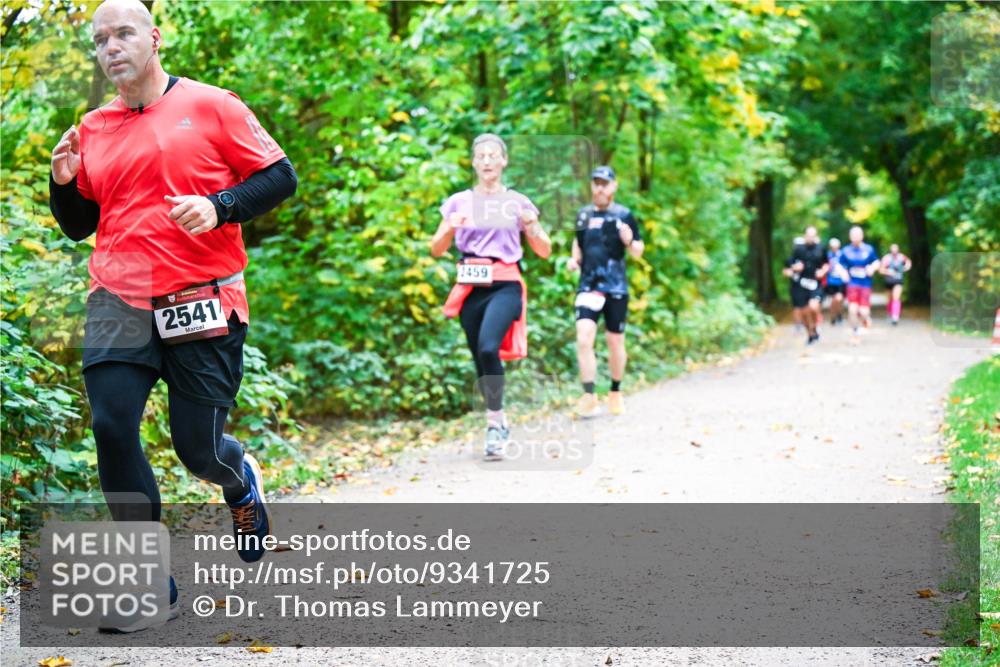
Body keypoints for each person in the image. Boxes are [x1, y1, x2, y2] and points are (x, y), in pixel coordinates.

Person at [48, 0, 296, 627]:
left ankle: (237, 478)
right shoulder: (93, 127)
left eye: (123, 33)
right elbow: (81, 225)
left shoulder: (214, 105)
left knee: (197, 451)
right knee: (111, 423)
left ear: (153, 38)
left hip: (201, 296)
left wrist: (220, 206)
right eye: (100, 39)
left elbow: (280, 177)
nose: (111, 47)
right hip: (118, 295)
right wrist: (62, 181)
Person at [430, 134, 551, 460]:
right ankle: (498, 421)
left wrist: (533, 226)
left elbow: (544, 250)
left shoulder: (518, 202)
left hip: (506, 282)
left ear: (503, 161)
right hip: (470, 285)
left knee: (488, 346)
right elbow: (436, 248)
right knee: (481, 358)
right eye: (480, 155)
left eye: (492, 155)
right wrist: (449, 228)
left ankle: (495, 424)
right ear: (473, 162)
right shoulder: (458, 201)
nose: (486, 161)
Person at [568, 166, 644, 417]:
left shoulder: (624, 214)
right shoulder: (582, 215)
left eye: (604, 183)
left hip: (615, 287)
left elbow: (637, 251)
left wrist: (629, 240)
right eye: (596, 183)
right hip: (588, 285)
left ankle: (615, 391)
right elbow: (577, 245)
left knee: (615, 341)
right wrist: (573, 260)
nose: (599, 188)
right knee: (583, 338)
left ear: (613, 186)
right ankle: (589, 396)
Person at [781, 226, 828, 344]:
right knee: (804, 312)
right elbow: (790, 266)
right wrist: (794, 268)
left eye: (813, 235)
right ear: (805, 236)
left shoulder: (821, 248)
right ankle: (811, 333)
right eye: (808, 235)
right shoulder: (799, 250)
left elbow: (826, 264)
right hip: (801, 284)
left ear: (816, 236)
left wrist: (822, 272)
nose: (810, 238)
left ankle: (816, 325)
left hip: (815, 283)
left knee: (813, 306)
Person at [839, 226, 880, 340]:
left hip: (865, 284)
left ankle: (866, 319)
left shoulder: (869, 249)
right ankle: (855, 332)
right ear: (850, 237)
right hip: (852, 283)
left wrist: (872, 267)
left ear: (862, 236)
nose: (856, 237)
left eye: (858, 235)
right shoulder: (846, 250)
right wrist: (843, 273)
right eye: (853, 235)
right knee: (852, 309)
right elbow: (839, 265)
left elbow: (876, 261)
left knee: (863, 311)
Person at [879, 243, 912, 325]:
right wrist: (888, 272)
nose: (894, 251)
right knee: (890, 299)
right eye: (893, 249)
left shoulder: (901, 257)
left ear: (898, 249)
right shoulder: (887, 258)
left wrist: (905, 268)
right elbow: (880, 270)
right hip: (889, 281)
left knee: (896, 298)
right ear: (890, 250)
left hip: (898, 281)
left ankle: (895, 316)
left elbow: (909, 262)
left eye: (895, 249)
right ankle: (890, 313)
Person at [824, 237, 848, 325]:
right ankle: (833, 316)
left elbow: (847, 266)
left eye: (836, 246)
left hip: (841, 281)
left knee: (840, 299)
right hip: (831, 281)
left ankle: (839, 315)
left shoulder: (843, 255)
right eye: (832, 246)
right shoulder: (827, 255)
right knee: (834, 300)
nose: (834, 248)